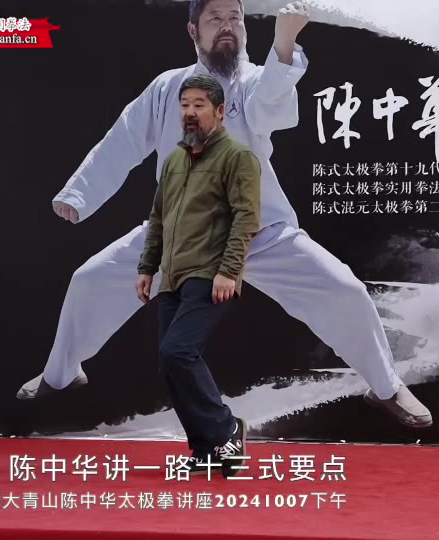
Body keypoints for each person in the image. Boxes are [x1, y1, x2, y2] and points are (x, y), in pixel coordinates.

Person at [16, 0, 433, 429]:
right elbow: (122, 141)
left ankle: (386, 387)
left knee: (344, 289)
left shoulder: (252, 81)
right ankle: (60, 375)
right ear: (193, 31)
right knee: (90, 281)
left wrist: (284, 43)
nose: (228, 25)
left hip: (259, 232)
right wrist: (80, 194)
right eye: (215, 18)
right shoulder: (168, 87)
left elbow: (271, 105)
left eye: (235, 18)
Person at [137, 73, 258, 475]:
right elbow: (158, 218)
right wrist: (147, 267)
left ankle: (227, 429)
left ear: (220, 111)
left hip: (210, 272)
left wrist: (229, 271)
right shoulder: (174, 160)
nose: (190, 112)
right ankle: (206, 449)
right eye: (185, 105)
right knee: (170, 363)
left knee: (178, 352)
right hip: (172, 275)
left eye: (199, 105)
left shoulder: (237, 157)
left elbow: (246, 219)